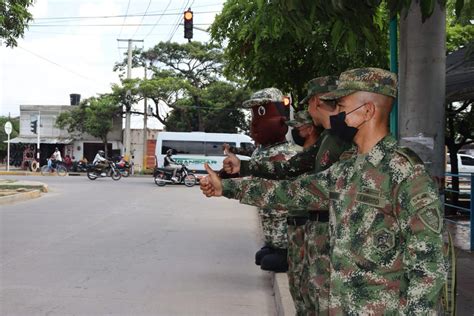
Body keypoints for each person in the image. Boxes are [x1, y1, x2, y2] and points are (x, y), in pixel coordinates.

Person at [201, 68, 447, 315]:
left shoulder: (405, 174)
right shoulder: (348, 168)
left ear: (367, 111)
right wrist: (227, 188)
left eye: (341, 105)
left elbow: (429, 270)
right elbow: (292, 192)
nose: (336, 113)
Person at [221, 76, 351, 315]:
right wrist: (244, 167)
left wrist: (228, 188)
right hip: (310, 234)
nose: (304, 115)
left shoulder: (344, 141)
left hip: (329, 239)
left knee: (323, 303)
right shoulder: (329, 139)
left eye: (309, 105)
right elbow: (287, 169)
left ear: (317, 102)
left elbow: (301, 190)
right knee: (305, 299)